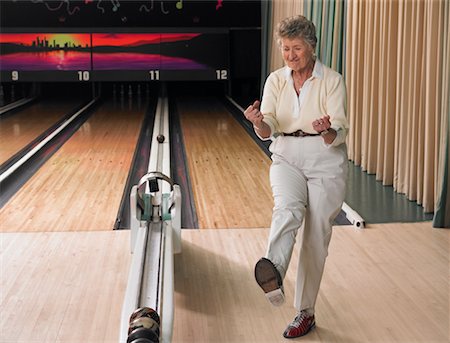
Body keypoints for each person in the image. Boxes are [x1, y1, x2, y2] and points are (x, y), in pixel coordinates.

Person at [244, 15, 349, 338]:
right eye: (286, 49)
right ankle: (274, 270)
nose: (291, 55)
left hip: (325, 158)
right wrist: (257, 122)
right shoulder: (276, 80)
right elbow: (270, 125)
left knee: (316, 236)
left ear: (312, 47)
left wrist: (327, 129)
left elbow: (340, 130)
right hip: (287, 154)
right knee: (287, 208)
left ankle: (305, 311)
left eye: (297, 48)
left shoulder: (332, 80)